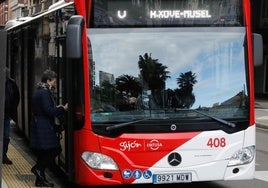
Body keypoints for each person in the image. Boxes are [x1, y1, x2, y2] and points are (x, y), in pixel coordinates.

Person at [30, 69, 68, 187]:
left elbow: (44, 108)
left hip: (40, 123)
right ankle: (37, 169)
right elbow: (48, 111)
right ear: (48, 80)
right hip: (44, 125)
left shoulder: (39, 91)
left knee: (43, 152)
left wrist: (56, 106)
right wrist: (62, 109)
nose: (55, 84)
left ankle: (40, 180)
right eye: (54, 81)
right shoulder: (45, 92)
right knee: (55, 149)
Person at [3, 68, 20, 165]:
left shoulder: (12, 83)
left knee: (6, 136)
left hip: (6, 114)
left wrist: (12, 109)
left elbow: (17, 97)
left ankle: (3, 155)